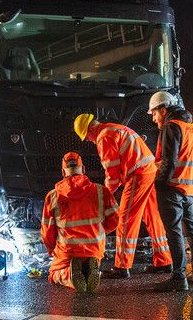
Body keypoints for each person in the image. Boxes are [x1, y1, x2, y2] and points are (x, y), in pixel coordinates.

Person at [73, 113, 173, 279]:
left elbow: (112, 172)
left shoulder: (104, 137)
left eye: (87, 136)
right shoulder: (114, 128)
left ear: (91, 129)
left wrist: (105, 196)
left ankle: (122, 266)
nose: (88, 140)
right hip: (149, 171)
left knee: (125, 220)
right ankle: (164, 261)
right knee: (153, 218)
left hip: (138, 175)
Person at [147, 91, 193, 292]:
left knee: (173, 232)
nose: (154, 118)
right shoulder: (191, 129)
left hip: (172, 187)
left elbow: (169, 161)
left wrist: (159, 183)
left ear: (163, 110)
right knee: (191, 228)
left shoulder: (170, 127)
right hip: (190, 188)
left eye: (154, 113)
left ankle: (179, 277)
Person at [41, 152, 119, 293]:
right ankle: (90, 268)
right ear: (83, 169)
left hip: (67, 252)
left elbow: (47, 233)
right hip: (95, 249)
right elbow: (115, 221)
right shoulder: (102, 191)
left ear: (63, 172)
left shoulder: (52, 196)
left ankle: (70, 277)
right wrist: (98, 231)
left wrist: (51, 250)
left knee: (53, 274)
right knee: (89, 262)